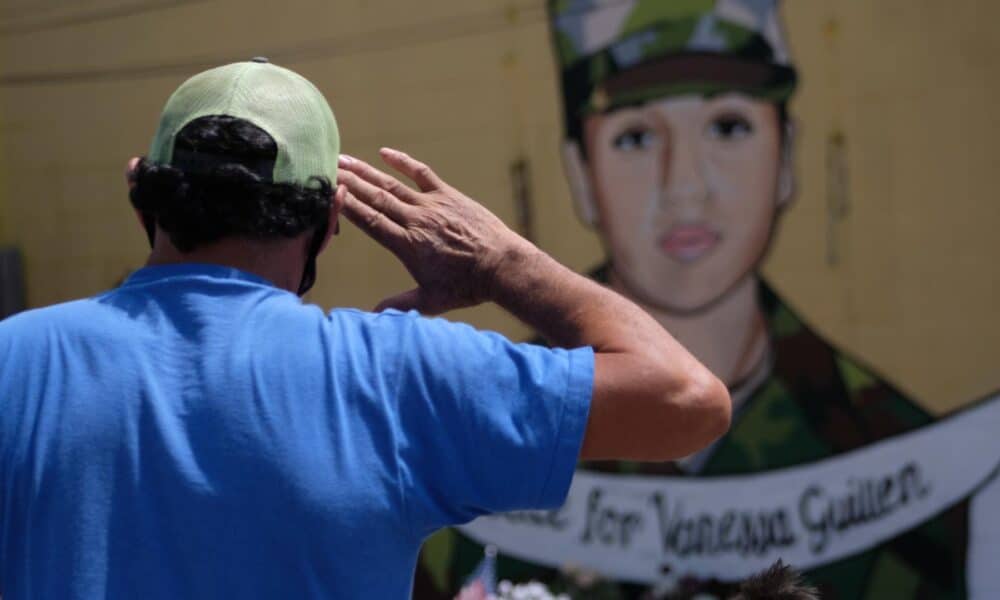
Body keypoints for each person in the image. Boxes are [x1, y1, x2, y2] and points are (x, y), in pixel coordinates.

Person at [0, 59, 730, 598]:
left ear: (143, 202)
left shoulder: (14, 362)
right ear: (328, 223)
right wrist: (501, 262)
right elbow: (687, 401)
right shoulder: (392, 376)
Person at [431, 1, 974, 599]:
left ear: (787, 153)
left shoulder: (900, 451)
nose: (685, 184)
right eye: (635, 137)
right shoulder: (496, 436)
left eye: (728, 127)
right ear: (581, 174)